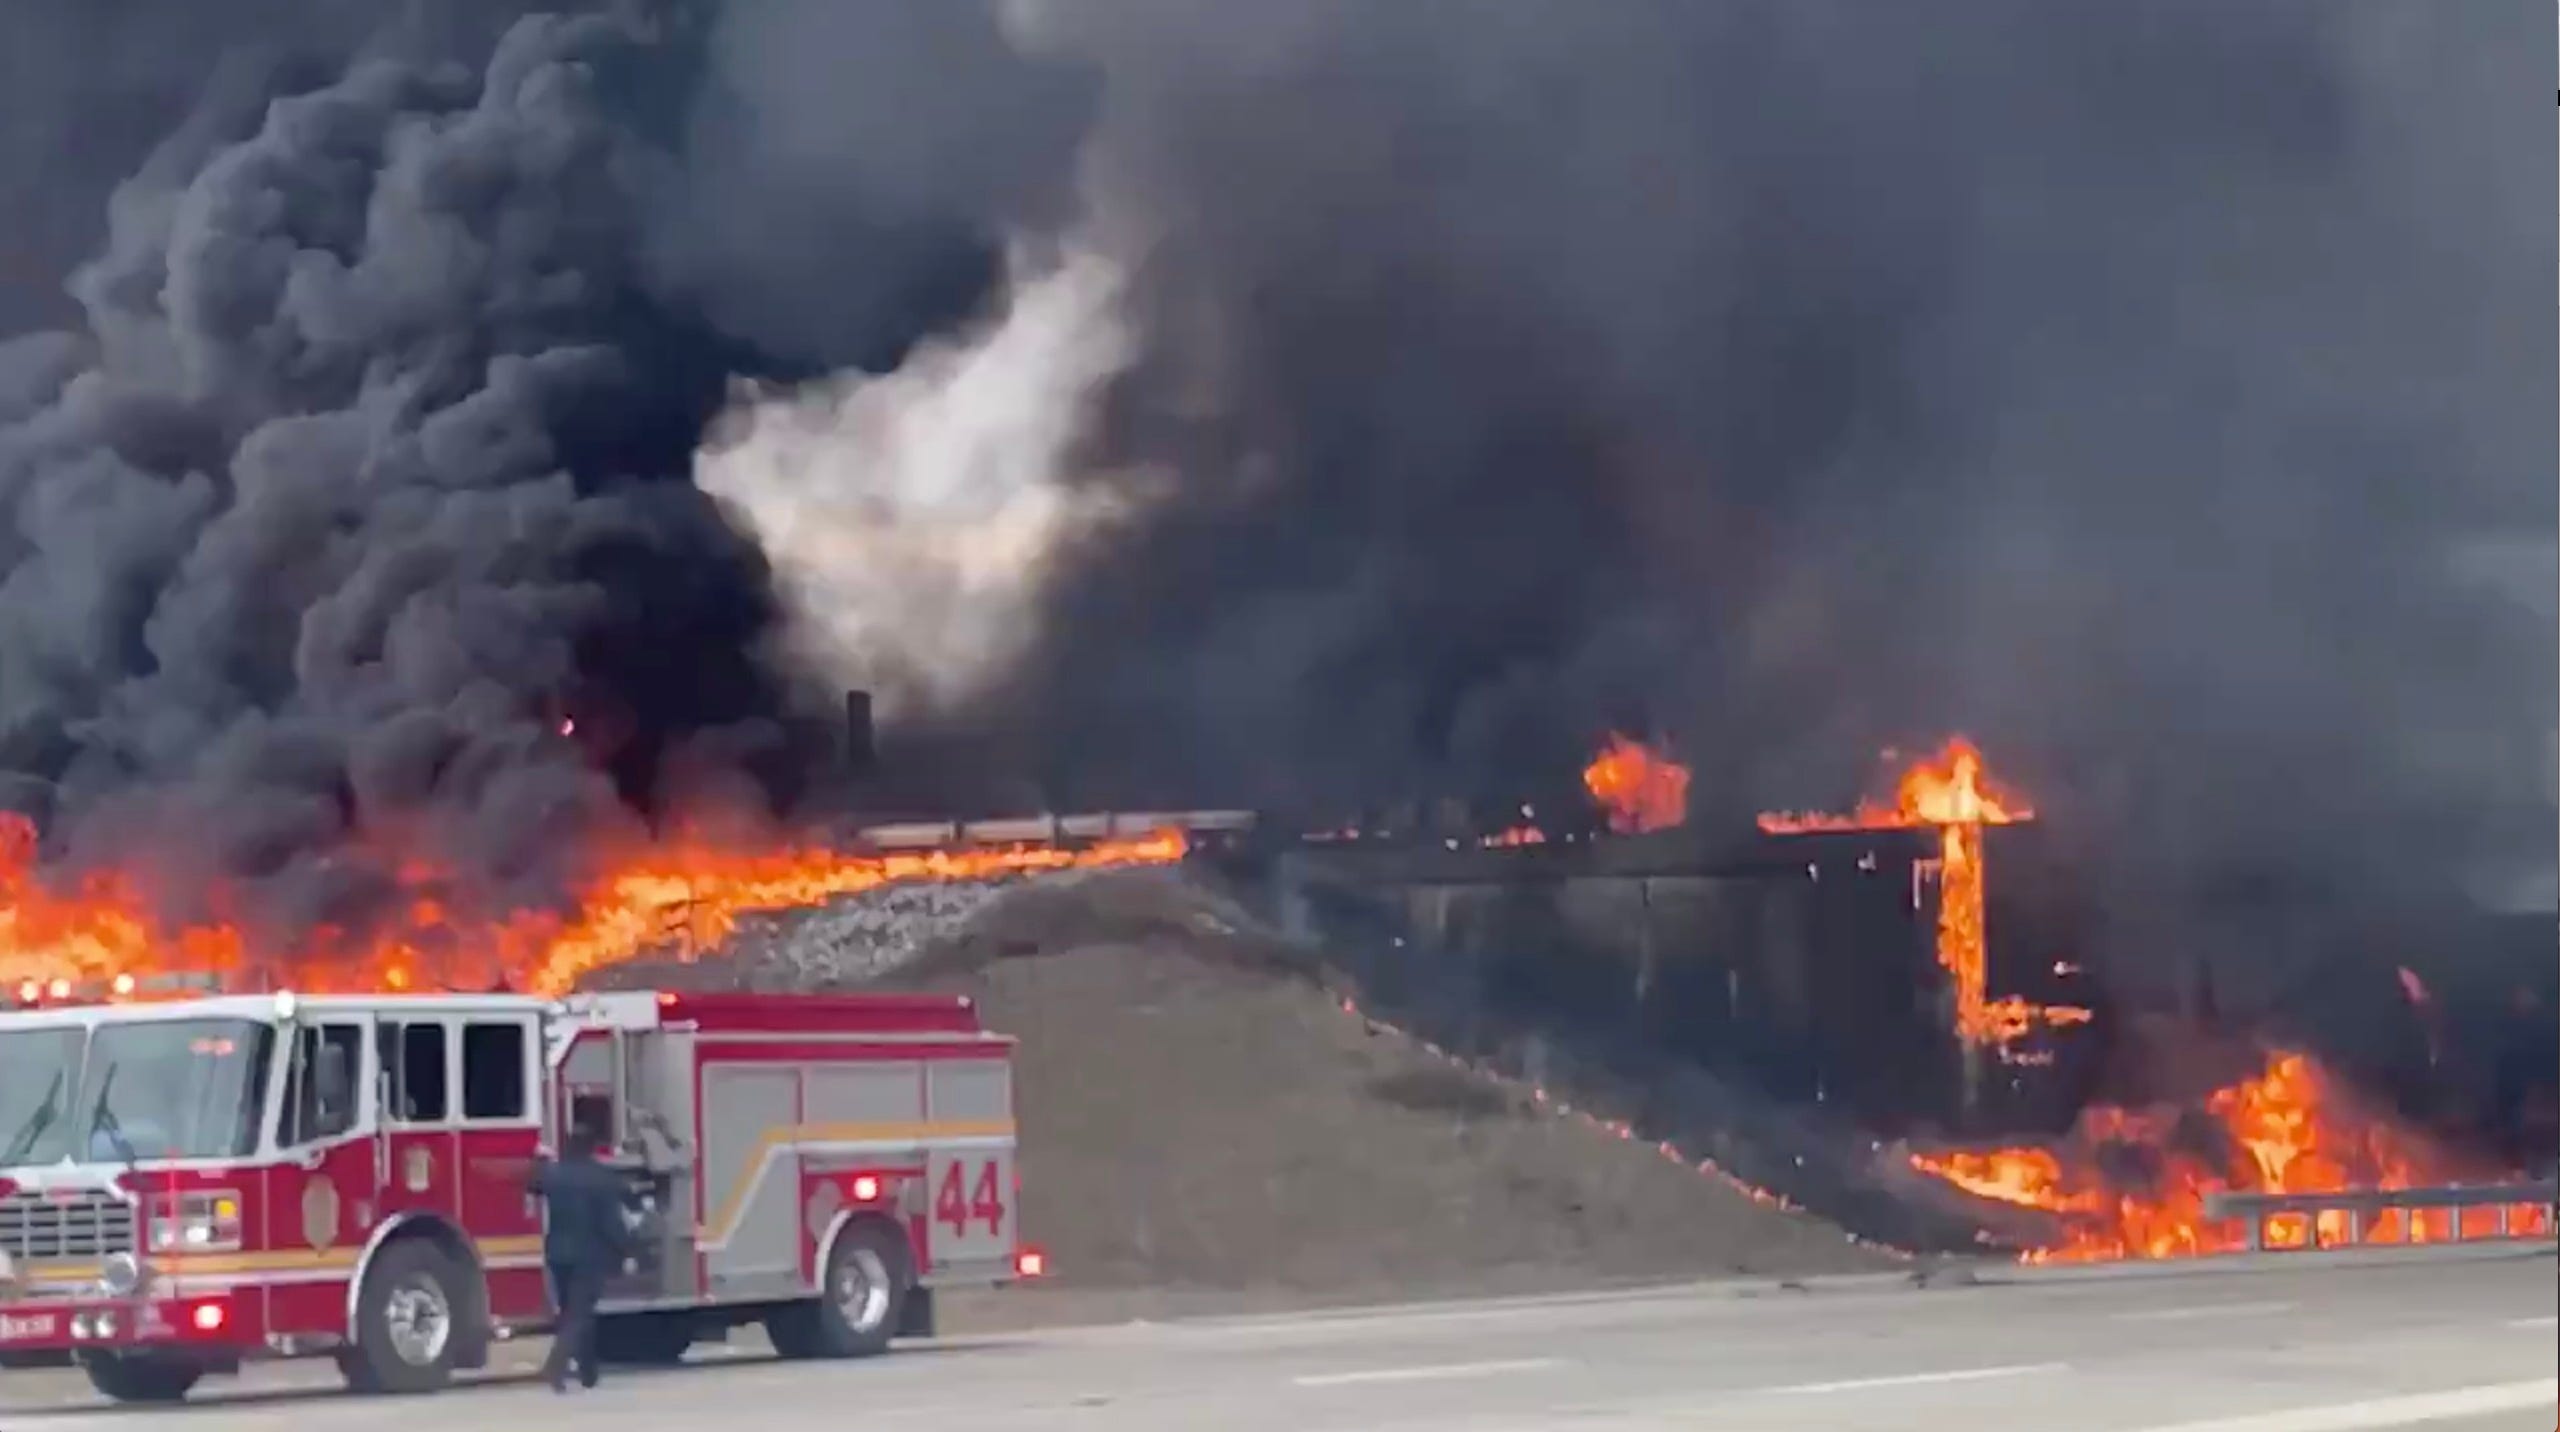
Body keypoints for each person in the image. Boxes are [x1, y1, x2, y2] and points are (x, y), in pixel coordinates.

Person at [529, 1125, 636, 1392]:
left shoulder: (554, 1174)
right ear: (592, 1147)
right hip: (588, 1256)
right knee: (579, 1314)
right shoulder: (601, 1177)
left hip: (557, 1254)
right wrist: (628, 1250)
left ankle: (589, 1372)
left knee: (574, 1312)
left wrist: (539, 1160)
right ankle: (556, 1364)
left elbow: (533, 1184)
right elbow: (611, 1223)